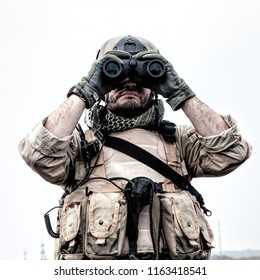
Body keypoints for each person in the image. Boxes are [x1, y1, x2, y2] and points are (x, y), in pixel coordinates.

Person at [18, 35, 252, 260]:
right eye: (115, 75)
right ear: (102, 86)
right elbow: (39, 153)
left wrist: (181, 93)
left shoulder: (180, 141)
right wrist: (84, 90)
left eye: (141, 77)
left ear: (154, 86)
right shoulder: (78, 145)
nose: (129, 83)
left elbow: (232, 151)